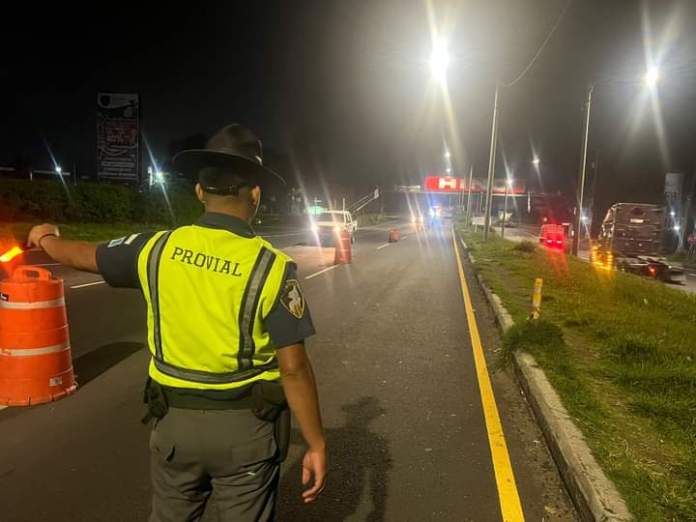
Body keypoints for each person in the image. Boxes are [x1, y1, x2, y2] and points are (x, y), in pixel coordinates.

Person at [27, 124, 327, 521]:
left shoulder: (157, 248)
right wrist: (316, 442)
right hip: (245, 432)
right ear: (255, 195)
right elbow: (294, 368)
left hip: (173, 429)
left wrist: (45, 238)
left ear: (200, 192)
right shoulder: (272, 267)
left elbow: (86, 255)